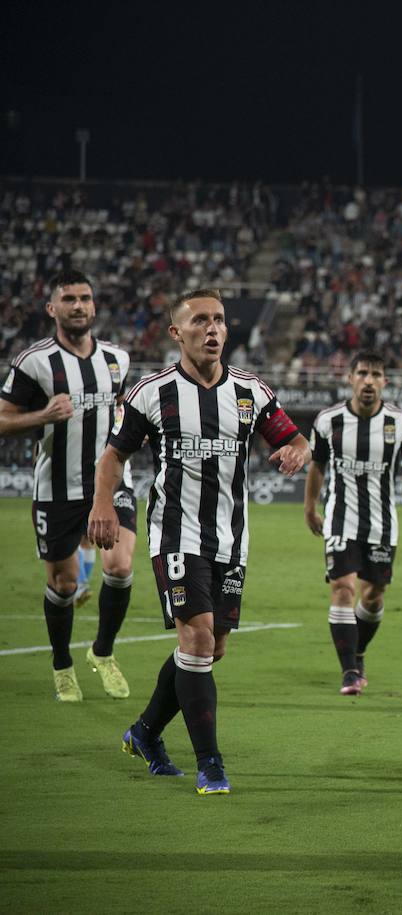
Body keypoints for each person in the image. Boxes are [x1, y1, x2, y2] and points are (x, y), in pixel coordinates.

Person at [89, 288, 310, 795]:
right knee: (197, 640)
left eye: (219, 320)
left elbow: (296, 439)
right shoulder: (152, 392)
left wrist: (299, 451)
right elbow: (114, 456)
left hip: (231, 538)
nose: (213, 329)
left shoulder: (250, 392)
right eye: (200, 321)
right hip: (176, 533)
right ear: (176, 333)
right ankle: (210, 764)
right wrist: (103, 505)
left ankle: (145, 731)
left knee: (213, 648)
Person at [0, 270, 139, 702]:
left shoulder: (117, 359)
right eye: (69, 299)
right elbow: (2, 419)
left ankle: (103, 652)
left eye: (85, 298)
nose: (78, 306)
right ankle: (62, 664)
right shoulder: (34, 362)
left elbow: (122, 409)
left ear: (94, 305)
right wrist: (42, 416)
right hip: (57, 490)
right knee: (63, 586)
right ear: (52, 308)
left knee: (120, 568)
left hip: (111, 483)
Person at [305, 350, 402, 695]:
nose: (368, 381)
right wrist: (310, 508)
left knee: (373, 597)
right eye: (362, 373)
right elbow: (317, 466)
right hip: (340, 519)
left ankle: (357, 651)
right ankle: (349, 672)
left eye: (375, 375)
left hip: (381, 522)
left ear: (385, 382)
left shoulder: (400, 422)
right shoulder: (329, 420)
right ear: (350, 379)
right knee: (342, 588)